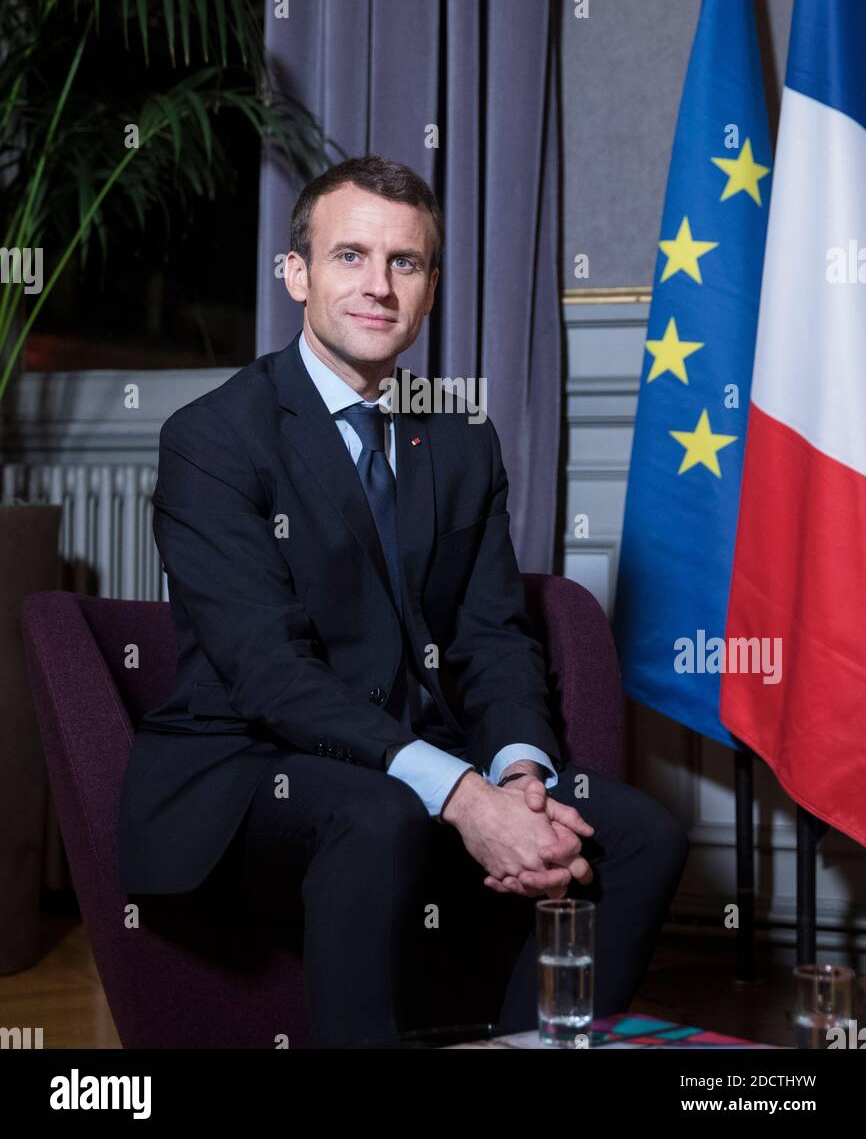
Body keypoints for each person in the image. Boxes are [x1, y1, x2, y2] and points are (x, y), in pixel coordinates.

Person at [118, 153, 689, 1047]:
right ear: (298, 274)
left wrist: (518, 778)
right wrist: (461, 797)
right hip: (249, 776)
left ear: (426, 292)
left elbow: (492, 635)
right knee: (378, 811)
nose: (378, 286)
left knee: (639, 830)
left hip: (425, 763)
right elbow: (268, 673)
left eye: (406, 264)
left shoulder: (460, 440)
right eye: (351, 257)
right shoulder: (214, 439)